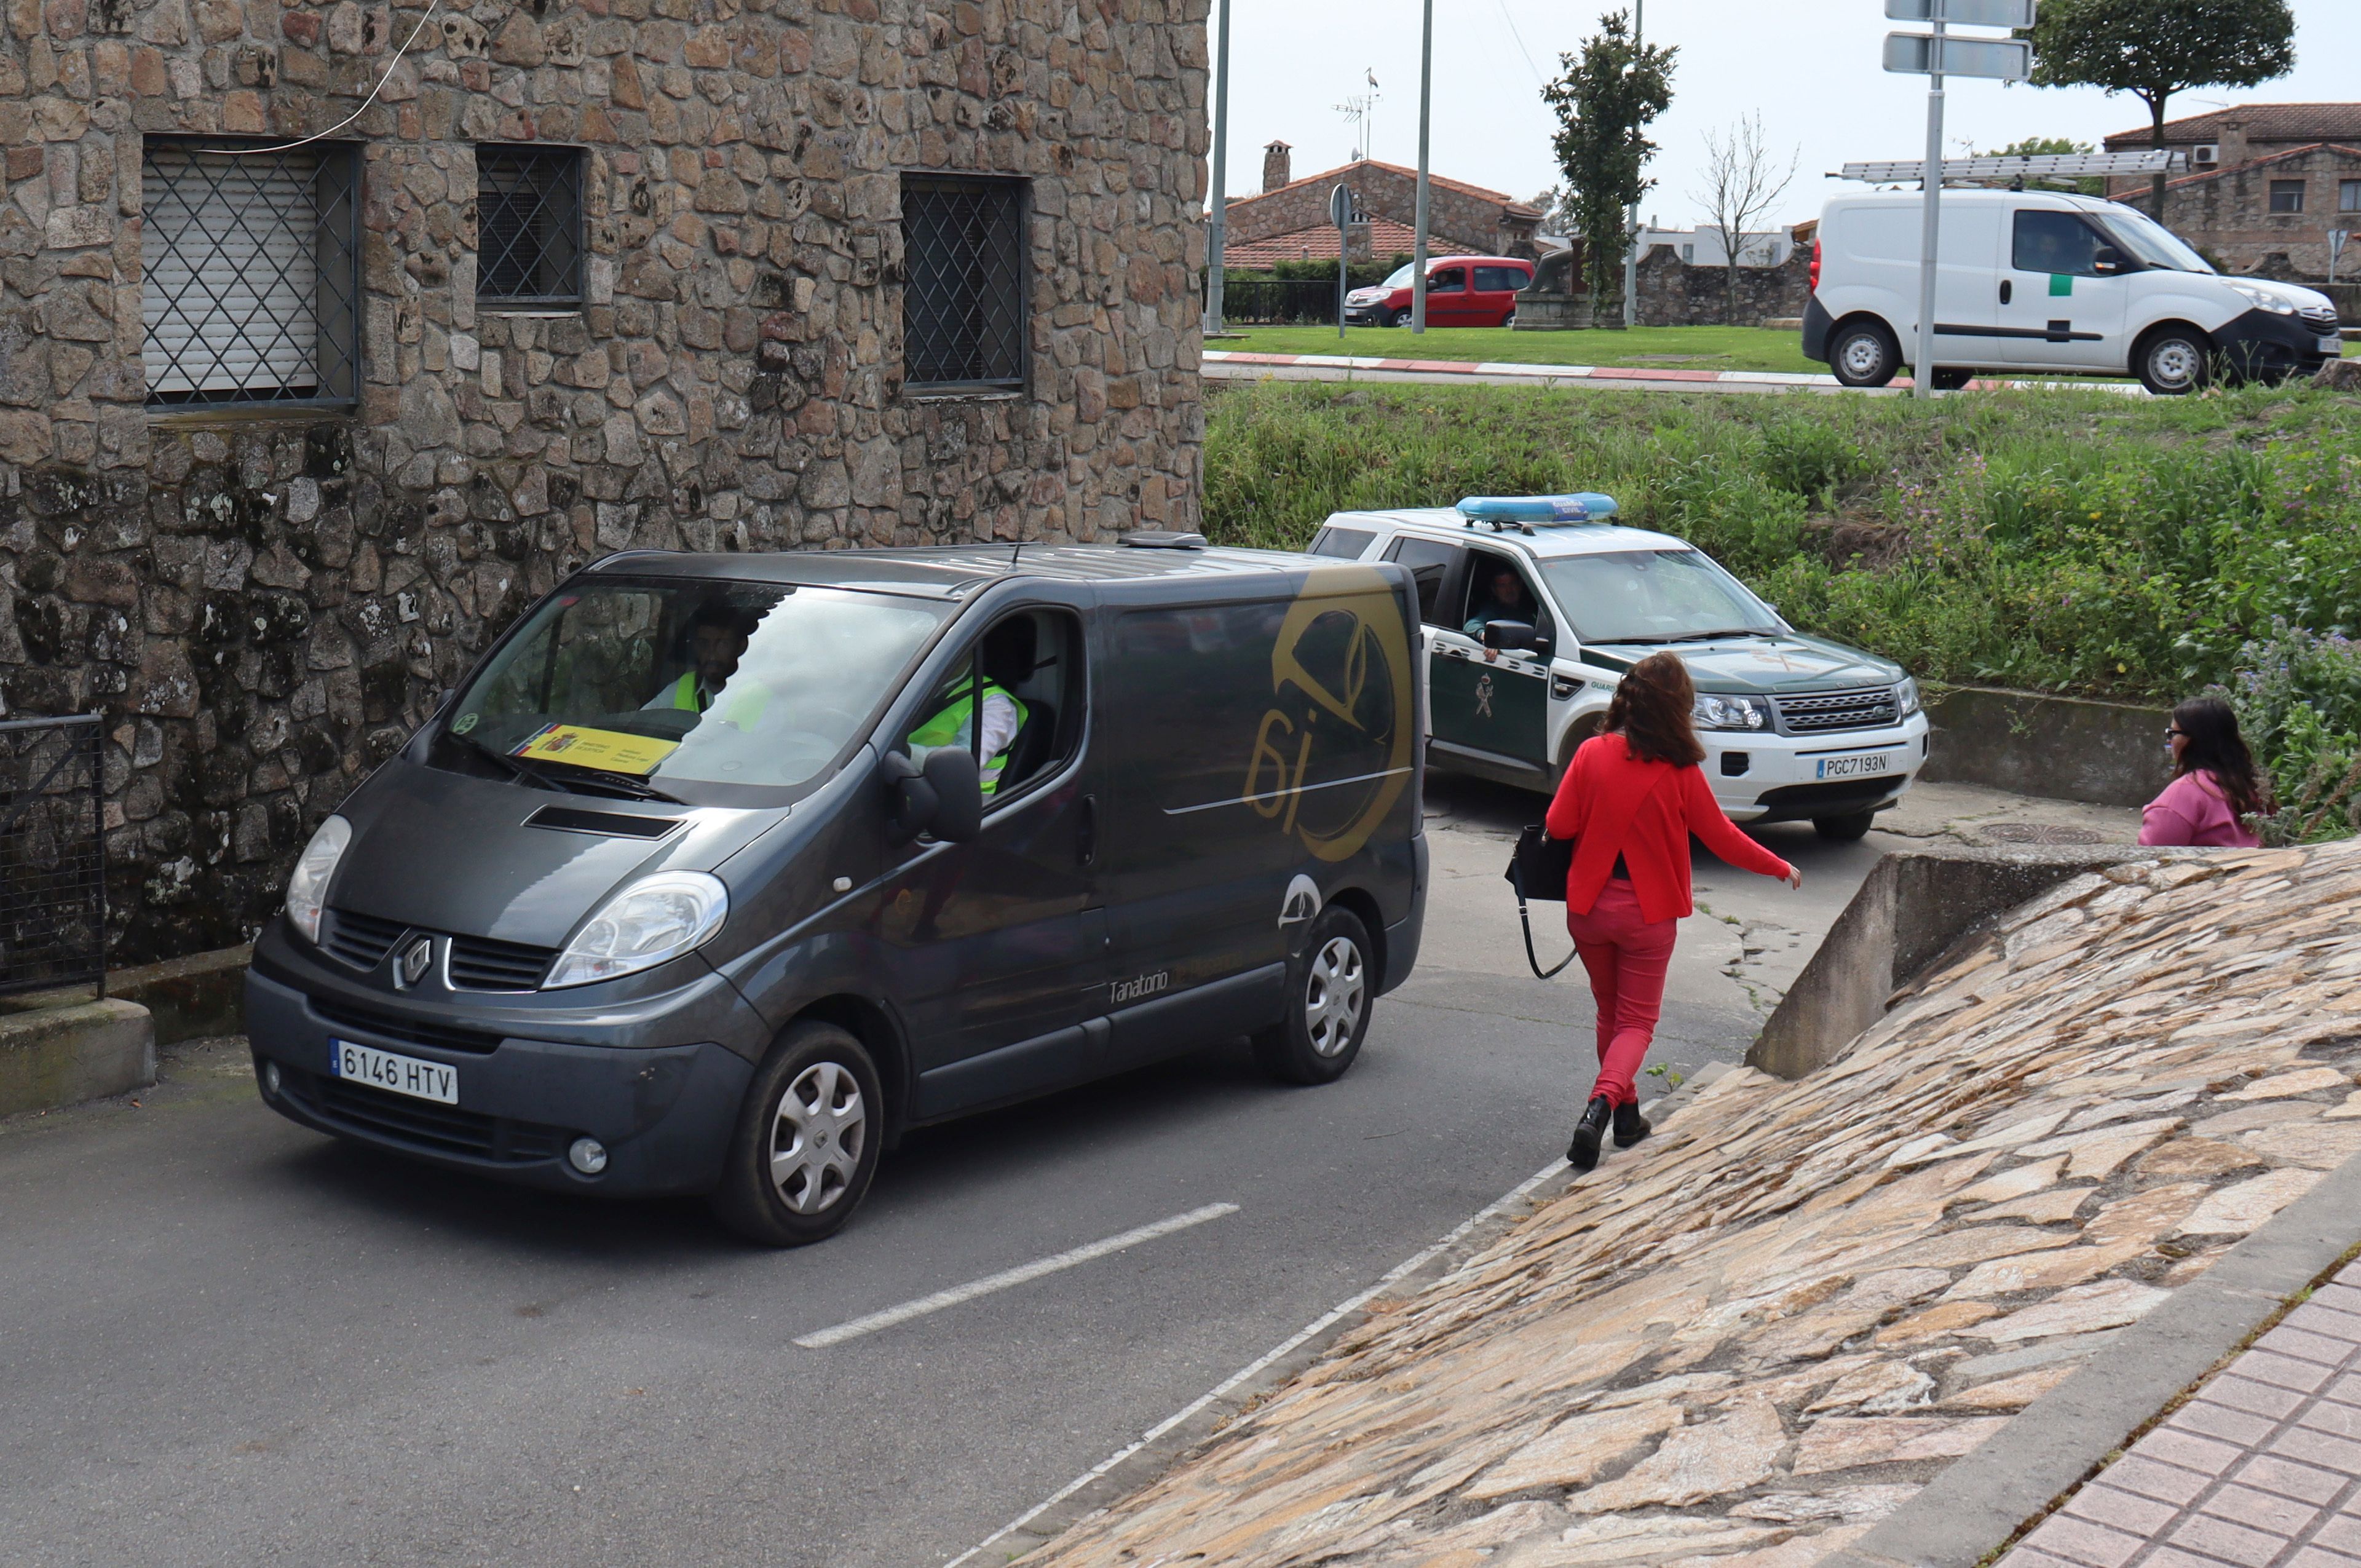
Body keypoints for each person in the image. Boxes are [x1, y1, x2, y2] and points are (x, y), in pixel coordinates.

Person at [1543, 652, 1803, 1173]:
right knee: (1636, 1023)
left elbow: (1560, 823)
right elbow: (1724, 839)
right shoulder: (1681, 772)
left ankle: (1627, 1115)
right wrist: (1778, 866)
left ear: (1627, 697)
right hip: (1647, 915)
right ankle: (1599, 1108)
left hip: (1590, 908)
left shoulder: (1592, 752)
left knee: (1610, 1015)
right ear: (1679, 708)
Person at [908, 619, 1034, 798]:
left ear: (969, 650)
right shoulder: (921, 685)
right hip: (906, 792)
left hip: (956, 808)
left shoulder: (995, 706)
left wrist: (900, 754)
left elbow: (958, 769)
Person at [2140, 697, 2266, 848]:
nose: (2170, 740)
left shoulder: (2184, 794)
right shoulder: (2253, 786)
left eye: (2172, 733)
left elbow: (2151, 859)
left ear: (2193, 739)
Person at [647, 600, 761, 723]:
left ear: (741, 647)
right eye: (703, 644)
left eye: (723, 644)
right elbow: (640, 725)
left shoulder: (760, 695)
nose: (712, 654)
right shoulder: (685, 686)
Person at [1465, 565, 1546, 643]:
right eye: (1502, 586)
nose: (1509, 590)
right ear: (1494, 590)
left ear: (1520, 585)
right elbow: (1471, 625)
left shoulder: (1535, 605)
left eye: (1512, 583)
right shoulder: (1493, 610)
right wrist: (1489, 638)